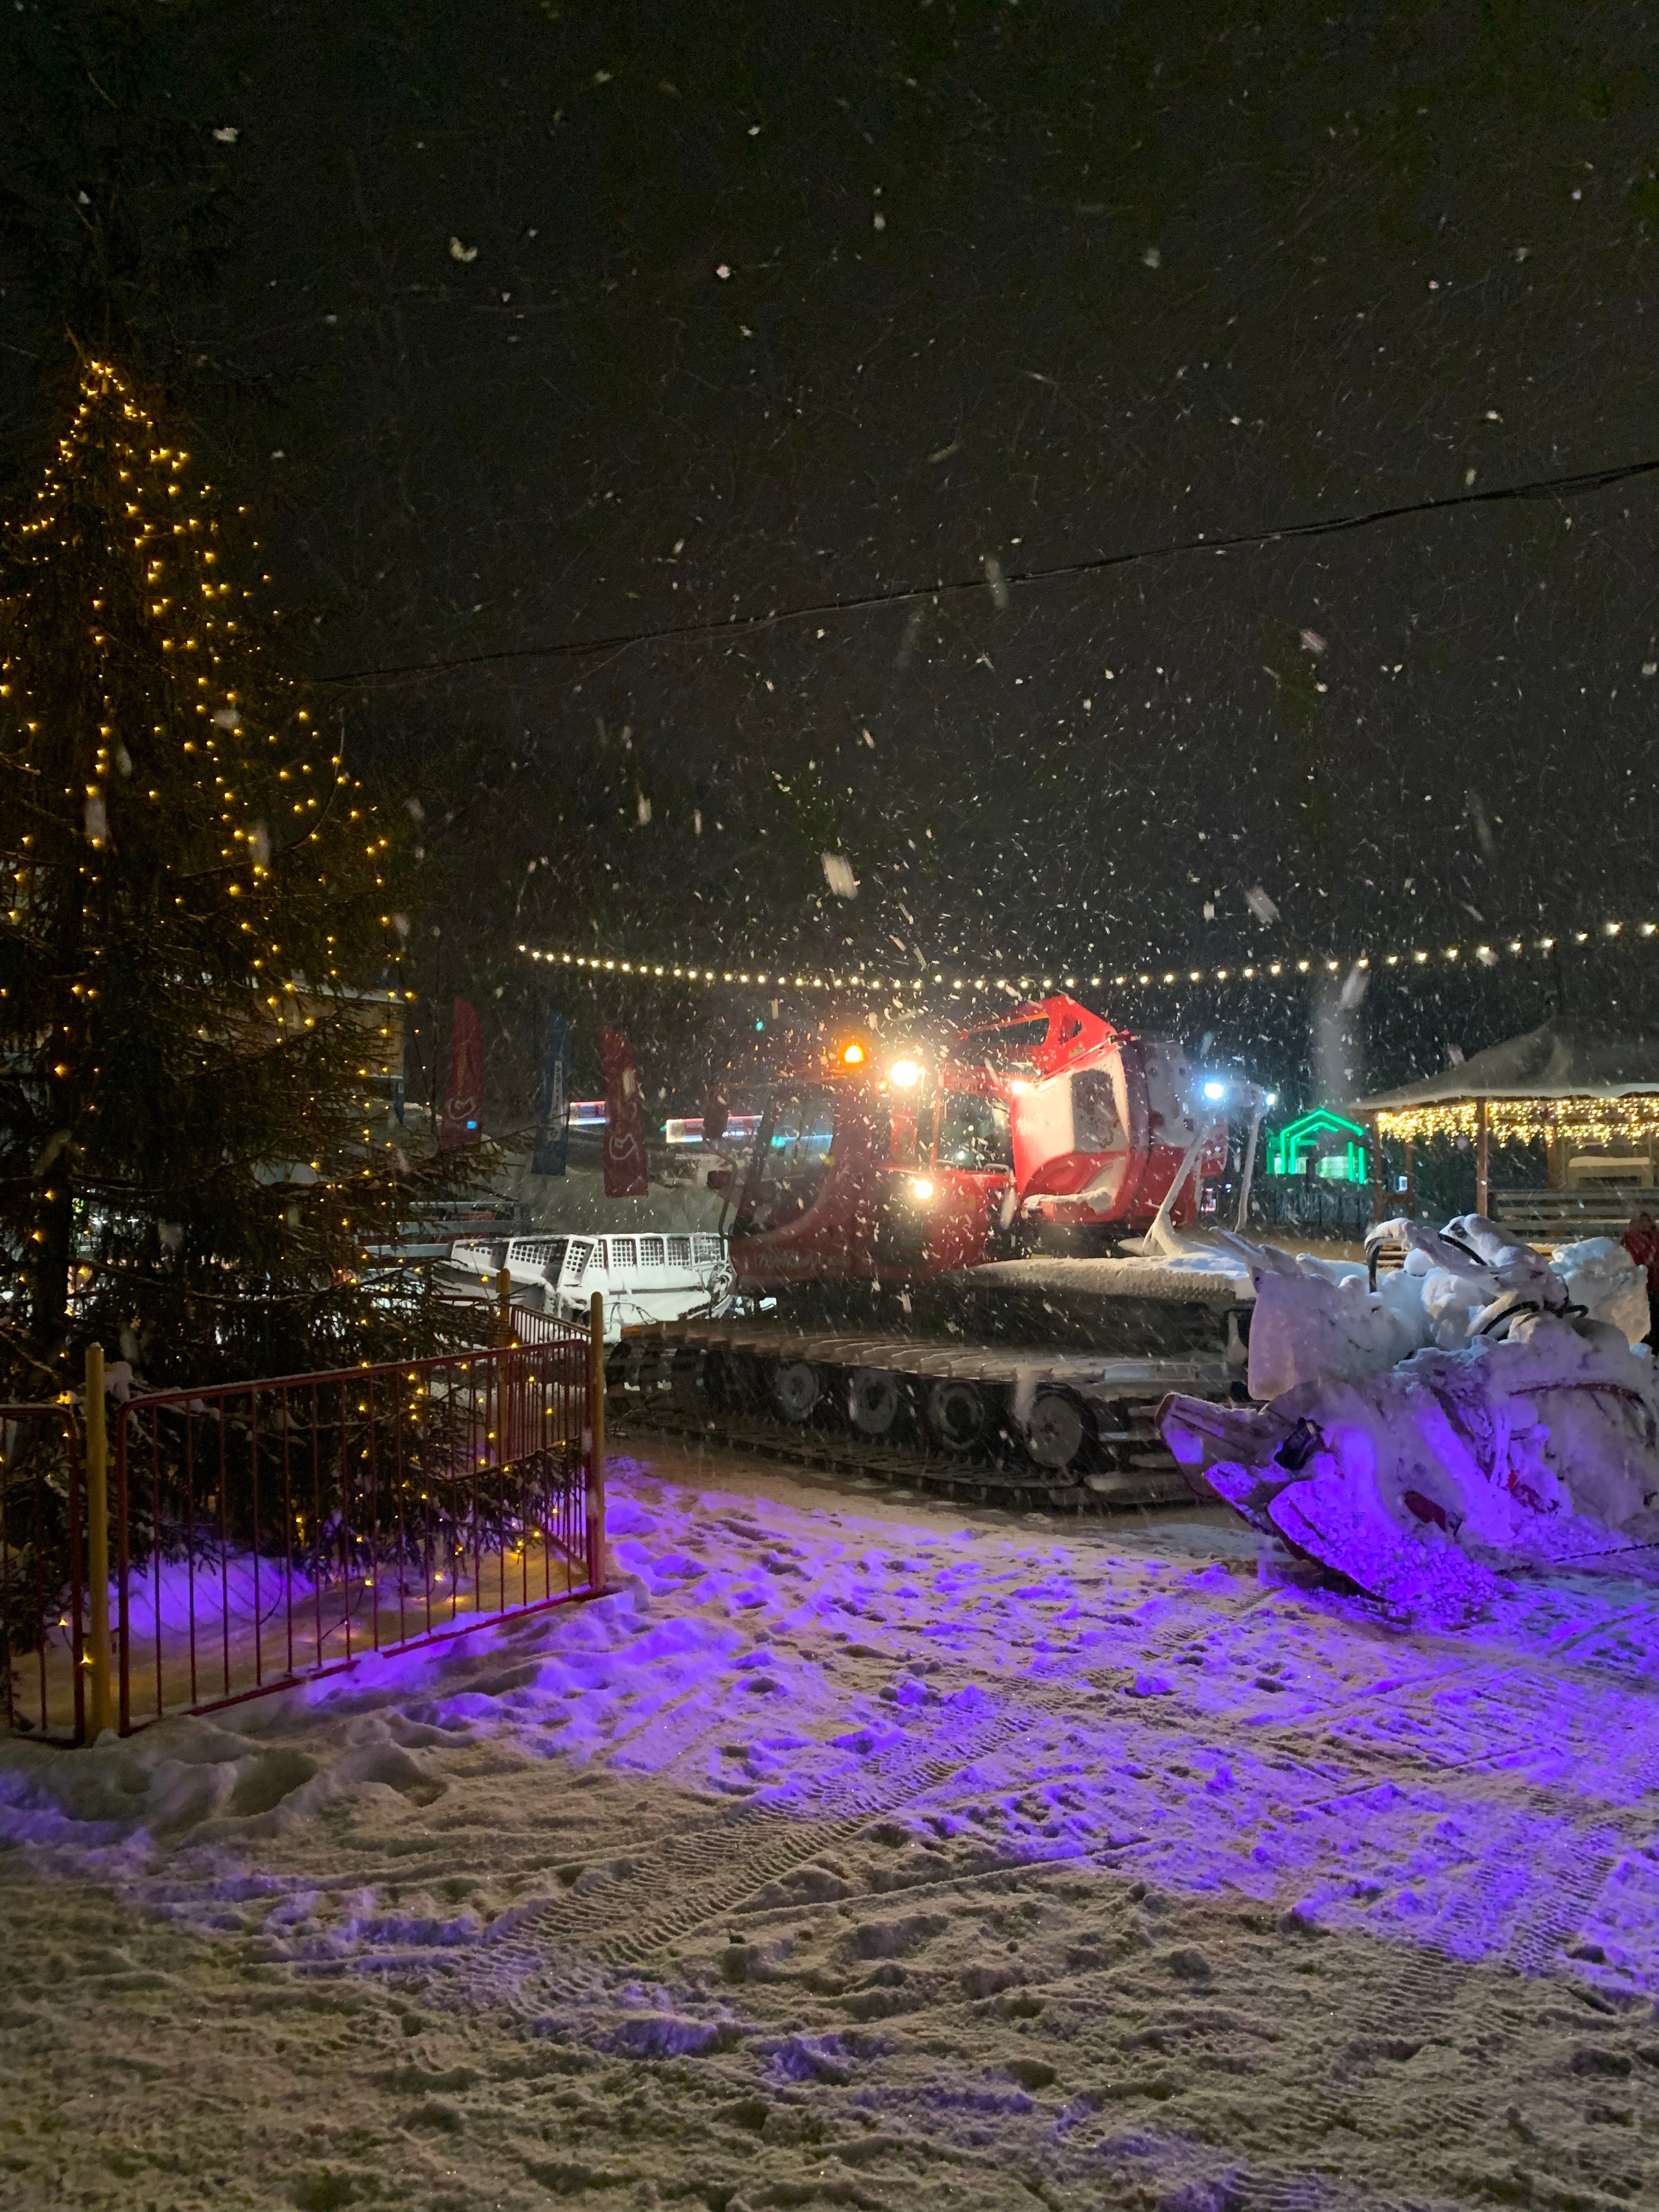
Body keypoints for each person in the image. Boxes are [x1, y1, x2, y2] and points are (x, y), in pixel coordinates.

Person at [1621, 1209, 1659, 1345]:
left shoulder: (1655, 1237)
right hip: (1641, 1285)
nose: (1645, 1223)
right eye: (1641, 1220)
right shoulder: (1630, 1240)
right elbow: (1638, 1261)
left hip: (1656, 1283)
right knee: (1648, 1317)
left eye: (1647, 1219)